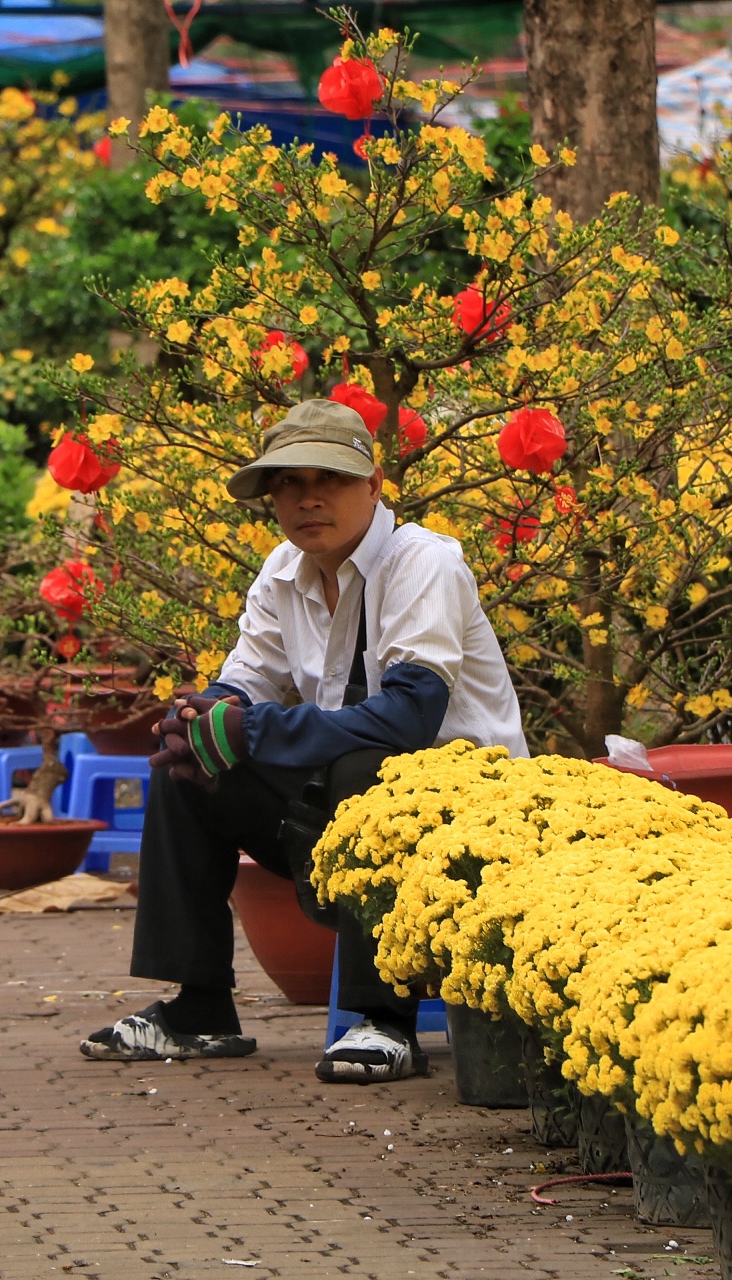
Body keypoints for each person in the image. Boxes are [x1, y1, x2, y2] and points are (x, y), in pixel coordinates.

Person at [81, 398, 527, 1082]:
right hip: (350, 820)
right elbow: (245, 682)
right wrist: (201, 719)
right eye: (289, 482)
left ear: (374, 487)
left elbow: (408, 719)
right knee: (191, 765)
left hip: (463, 827)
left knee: (363, 768)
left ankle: (385, 1021)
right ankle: (199, 1010)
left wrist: (251, 728)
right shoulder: (283, 571)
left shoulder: (423, 564)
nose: (308, 499)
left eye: (331, 479)